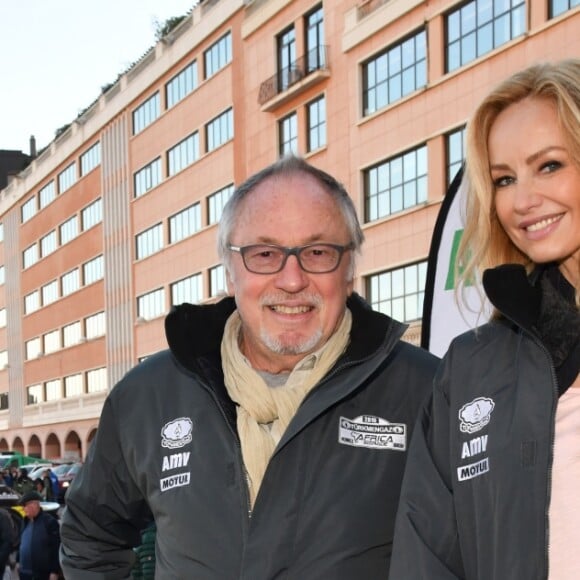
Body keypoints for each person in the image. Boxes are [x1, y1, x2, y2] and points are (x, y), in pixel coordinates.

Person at [60, 155, 438, 578]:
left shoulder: (426, 391)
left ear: (349, 268)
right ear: (229, 272)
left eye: (317, 252)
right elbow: (90, 535)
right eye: (264, 253)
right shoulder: (148, 397)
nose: (292, 280)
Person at [389, 60, 580, 579]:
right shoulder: (471, 367)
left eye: (549, 166)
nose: (523, 200)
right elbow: (426, 555)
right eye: (503, 179)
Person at [17, 491, 61, 580]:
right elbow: (21, 543)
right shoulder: (25, 521)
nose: (23, 509)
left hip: (41, 574)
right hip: (25, 573)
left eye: (25, 506)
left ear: (34, 505)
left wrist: (54, 571)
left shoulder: (49, 522)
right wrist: (18, 561)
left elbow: (56, 547)